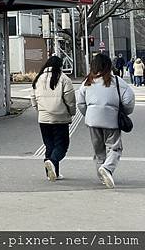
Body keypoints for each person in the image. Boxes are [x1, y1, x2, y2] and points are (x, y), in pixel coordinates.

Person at [76, 54, 135, 189]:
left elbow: (80, 103)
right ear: (109, 66)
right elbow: (128, 101)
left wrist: (88, 114)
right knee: (115, 147)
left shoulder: (87, 82)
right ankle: (107, 169)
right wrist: (124, 112)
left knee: (99, 149)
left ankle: (102, 175)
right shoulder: (117, 81)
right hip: (111, 119)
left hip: (92, 120)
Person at [30, 56, 76, 181]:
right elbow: (70, 99)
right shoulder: (64, 79)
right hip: (60, 118)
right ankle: (52, 161)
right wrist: (72, 112)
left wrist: (38, 110)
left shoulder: (38, 78)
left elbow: (33, 97)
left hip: (44, 118)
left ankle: (52, 172)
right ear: (60, 66)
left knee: (49, 145)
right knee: (62, 145)